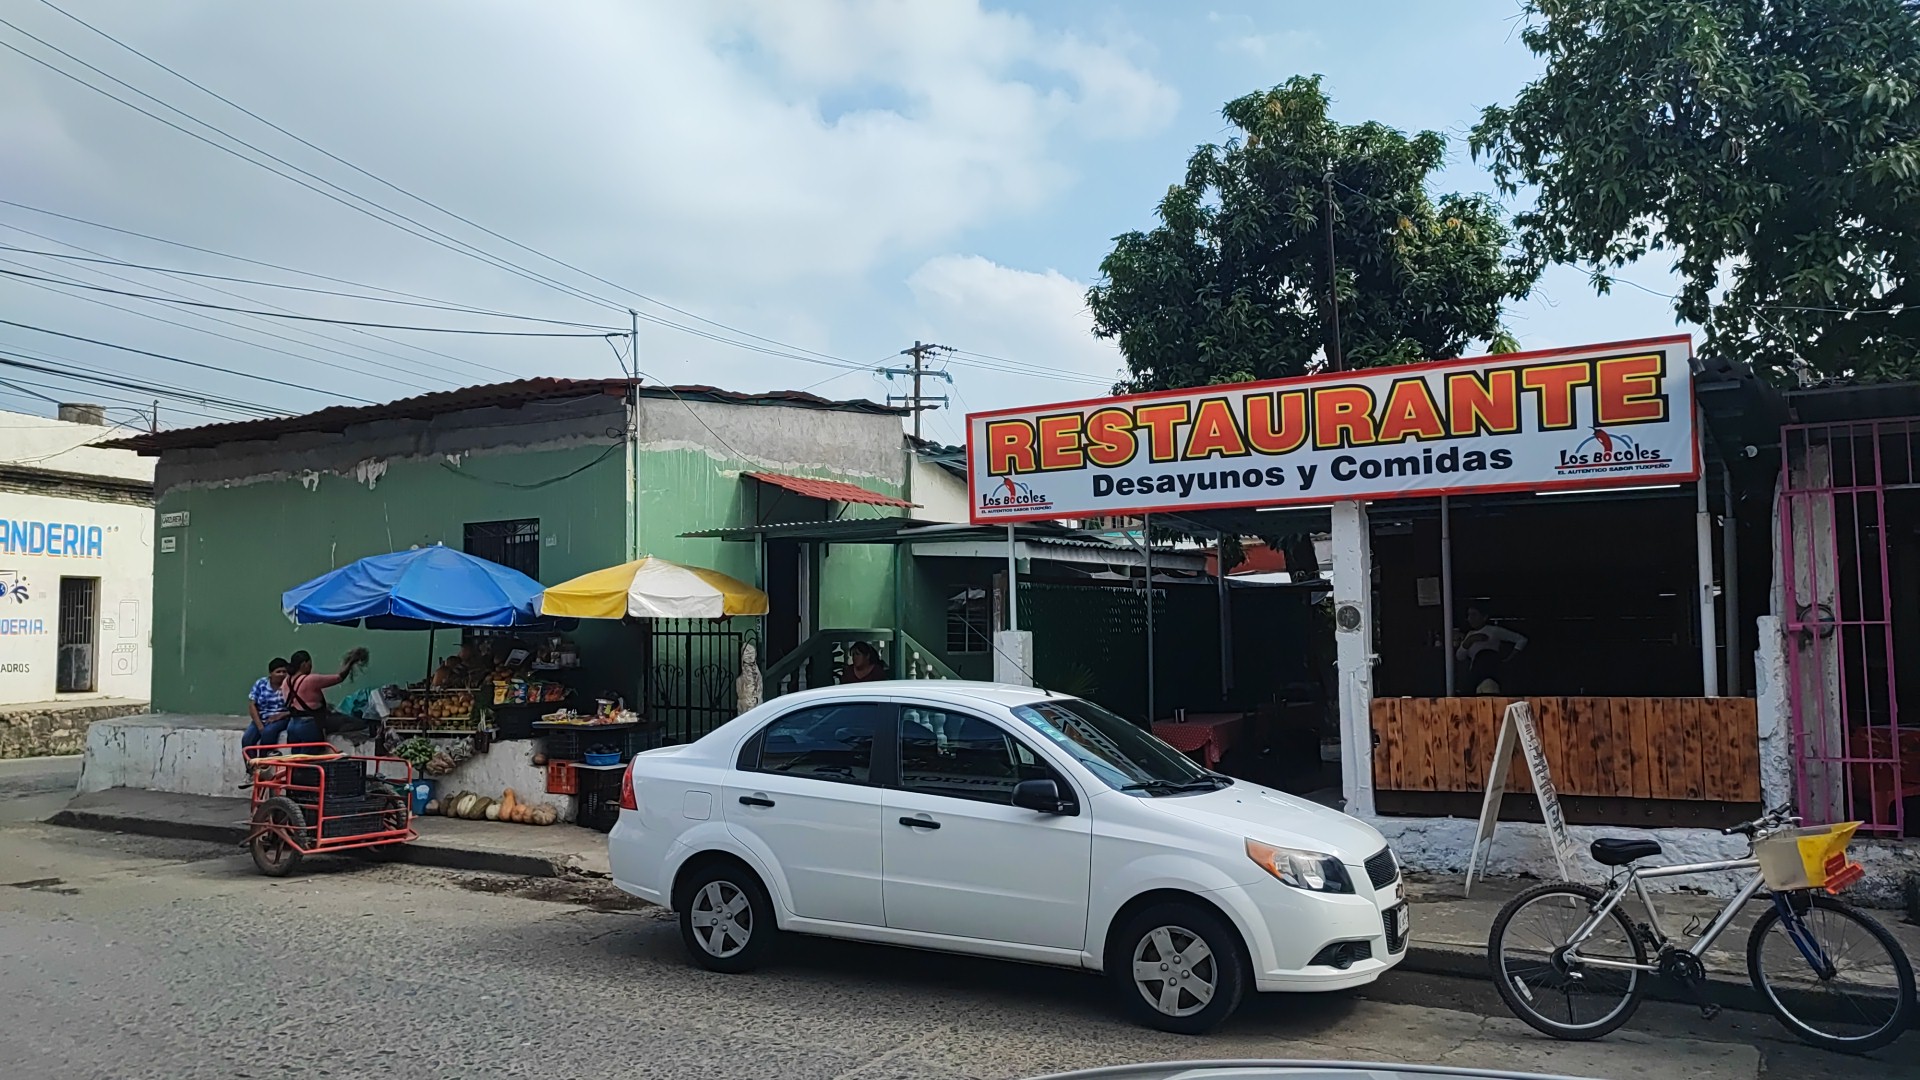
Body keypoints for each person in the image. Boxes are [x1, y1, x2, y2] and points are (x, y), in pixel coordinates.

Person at [283, 648, 369, 749]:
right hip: (308, 725)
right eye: (310, 664)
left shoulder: (286, 682)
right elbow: (339, 677)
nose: (311, 668)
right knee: (311, 760)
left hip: (292, 725)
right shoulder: (310, 679)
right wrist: (350, 662)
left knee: (296, 759)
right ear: (304, 664)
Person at [1454, 605, 1527, 694]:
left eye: (1474, 615)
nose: (1470, 618)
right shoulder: (1469, 634)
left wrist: (1510, 657)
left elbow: (1521, 639)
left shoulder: (1493, 631)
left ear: (1484, 617)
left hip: (1492, 672)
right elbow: (1460, 656)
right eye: (1469, 615)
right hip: (1475, 674)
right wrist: (1469, 641)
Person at [240, 657, 292, 754]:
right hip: (262, 717)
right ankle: (252, 766)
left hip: (282, 719)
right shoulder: (261, 684)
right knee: (247, 739)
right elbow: (252, 705)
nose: (281, 674)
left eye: (284, 672)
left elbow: (295, 707)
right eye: (278, 672)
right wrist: (260, 726)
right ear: (270, 673)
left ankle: (263, 761)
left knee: (269, 732)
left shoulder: (290, 685)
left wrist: (281, 715)